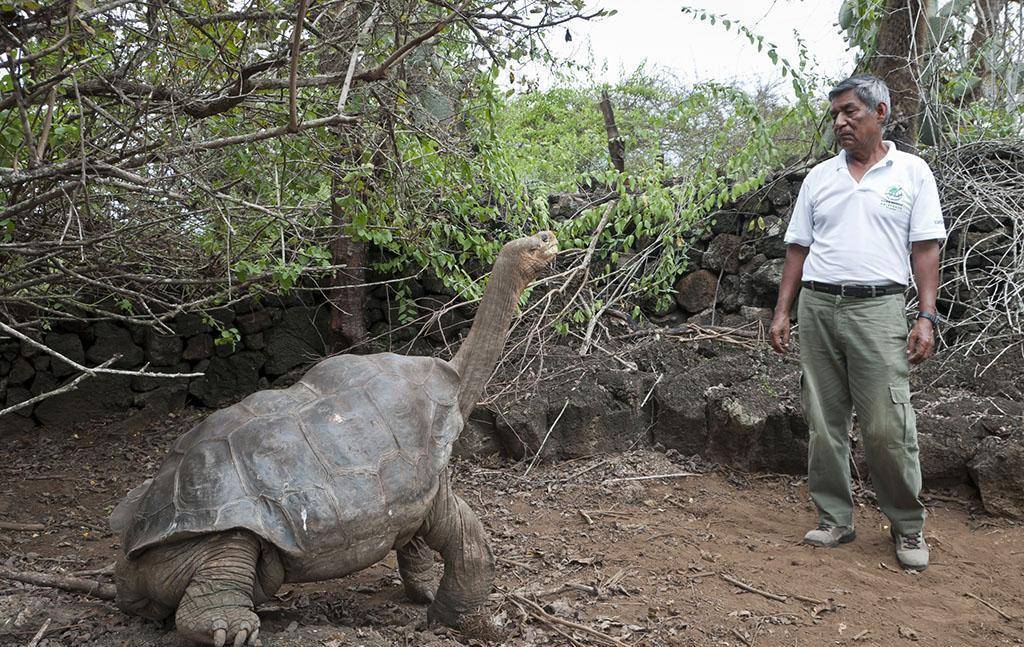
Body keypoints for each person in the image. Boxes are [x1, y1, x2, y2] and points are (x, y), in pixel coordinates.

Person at [769, 74, 945, 571]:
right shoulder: (820, 178)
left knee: (888, 425)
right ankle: (834, 519)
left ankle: (907, 527)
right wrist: (784, 311)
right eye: (836, 116)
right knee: (824, 421)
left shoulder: (911, 173)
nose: (841, 123)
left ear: (881, 112)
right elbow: (797, 248)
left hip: (879, 309)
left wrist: (926, 316)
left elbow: (926, 248)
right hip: (819, 307)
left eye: (851, 112)